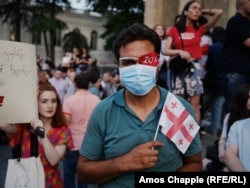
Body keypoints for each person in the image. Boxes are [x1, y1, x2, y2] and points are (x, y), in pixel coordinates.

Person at [76, 22, 202, 188]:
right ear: (119, 67)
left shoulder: (178, 108)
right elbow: (83, 172)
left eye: (146, 60)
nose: (137, 69)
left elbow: (195, 164)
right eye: (128, 63)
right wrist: (123, 163)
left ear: (157, 64)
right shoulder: (104, 111)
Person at [0, 79, 73, 188]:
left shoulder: (62, 130)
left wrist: (41, 131)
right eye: (44, 101)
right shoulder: (25, 126)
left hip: (51, 183)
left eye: (54, 101)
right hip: (26, 182)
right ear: (35, 103)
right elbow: (3, 124)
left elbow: (53, 160)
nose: (50, 106)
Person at [163, 0, 223, 124]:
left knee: (195, 104)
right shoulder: (174, 30)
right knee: (179, 103)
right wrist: (179, 51)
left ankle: (194, 135)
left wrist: (203, 12)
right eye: (194, 8)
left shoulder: (199, 29)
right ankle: (178, 133)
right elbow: (165, 50)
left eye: (199, 9)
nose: (197, 10)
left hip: (194, 67)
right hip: (179, 67)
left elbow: (219, 12)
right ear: (185, 11)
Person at [63, 72, 100, 188]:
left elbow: (66, 122)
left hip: (72, 143)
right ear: (89, 85)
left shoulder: (69, 100)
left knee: (69, 175)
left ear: (75, 85)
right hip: (89, 144)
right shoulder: (96, 100)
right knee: (83, 176)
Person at [202, 83, 250, 171]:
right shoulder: (231, 116)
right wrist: (222, 152)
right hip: (226, 146)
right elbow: (223, 138)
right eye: (248, 98)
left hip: (241, 152)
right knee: (204, 163)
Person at [221, 0, 250, 114]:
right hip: (237, 71)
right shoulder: (236, 21)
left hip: (246, 70)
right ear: (241, 4)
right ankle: (230, 130)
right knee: (234, 104)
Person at [201, 26, 226, 136]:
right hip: (222, 84)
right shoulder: (227, 48)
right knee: (217, 111)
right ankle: (213, 134)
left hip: (211, 81)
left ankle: (199, 128)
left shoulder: (212, 48)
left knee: (201, 105)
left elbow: (209, 65)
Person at [153, 24, 169, 89]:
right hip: (154, 65)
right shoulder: (152, 42)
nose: (161, 30)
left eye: (162, 29)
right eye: (158, 29)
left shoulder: (166, 42)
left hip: (163, 66)